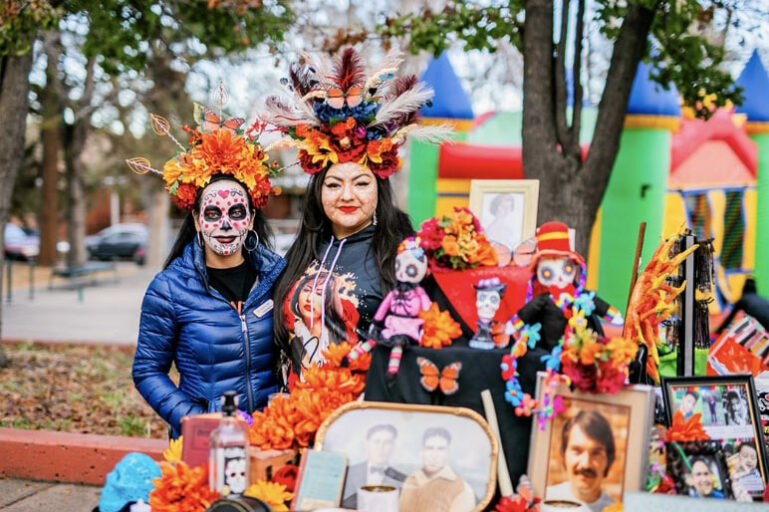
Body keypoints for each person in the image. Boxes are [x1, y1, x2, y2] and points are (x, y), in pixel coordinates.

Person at [266, 48, 439, 378]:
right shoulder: (300, 253)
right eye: (333, 185)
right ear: (318, 193)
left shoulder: (403, 257)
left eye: (360, 183)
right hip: (291, 412)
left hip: (365, 418)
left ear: (379, 189)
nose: (347, 196)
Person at [130, 105, 285, 437]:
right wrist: (196, 423)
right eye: (213, 213)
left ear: (252, 219)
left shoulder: (280, 278)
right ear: (198, 221)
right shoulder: (169, 289)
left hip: (273, 436)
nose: (226, 224)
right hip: (206, 442)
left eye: (237, 212)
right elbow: (147, 371)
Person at [546, 410, 617, 512]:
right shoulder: (542, 501)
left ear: (609, 460)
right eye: (577, 451)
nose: (585, 464)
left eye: (596, 453)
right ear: (564, 453)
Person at [399, 427, 475, 512]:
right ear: (422, 451)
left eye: (440, 449)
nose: (434, 455)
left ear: (448, 453)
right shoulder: (411, 479)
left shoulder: (462, 488)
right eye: (429, 448)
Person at [342, 424, 407, 509]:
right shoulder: (348, 473)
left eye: (387, 443)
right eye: (376, 441)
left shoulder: (402, 479)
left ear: (393, 446)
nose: (381, 447)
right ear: (367, 444)